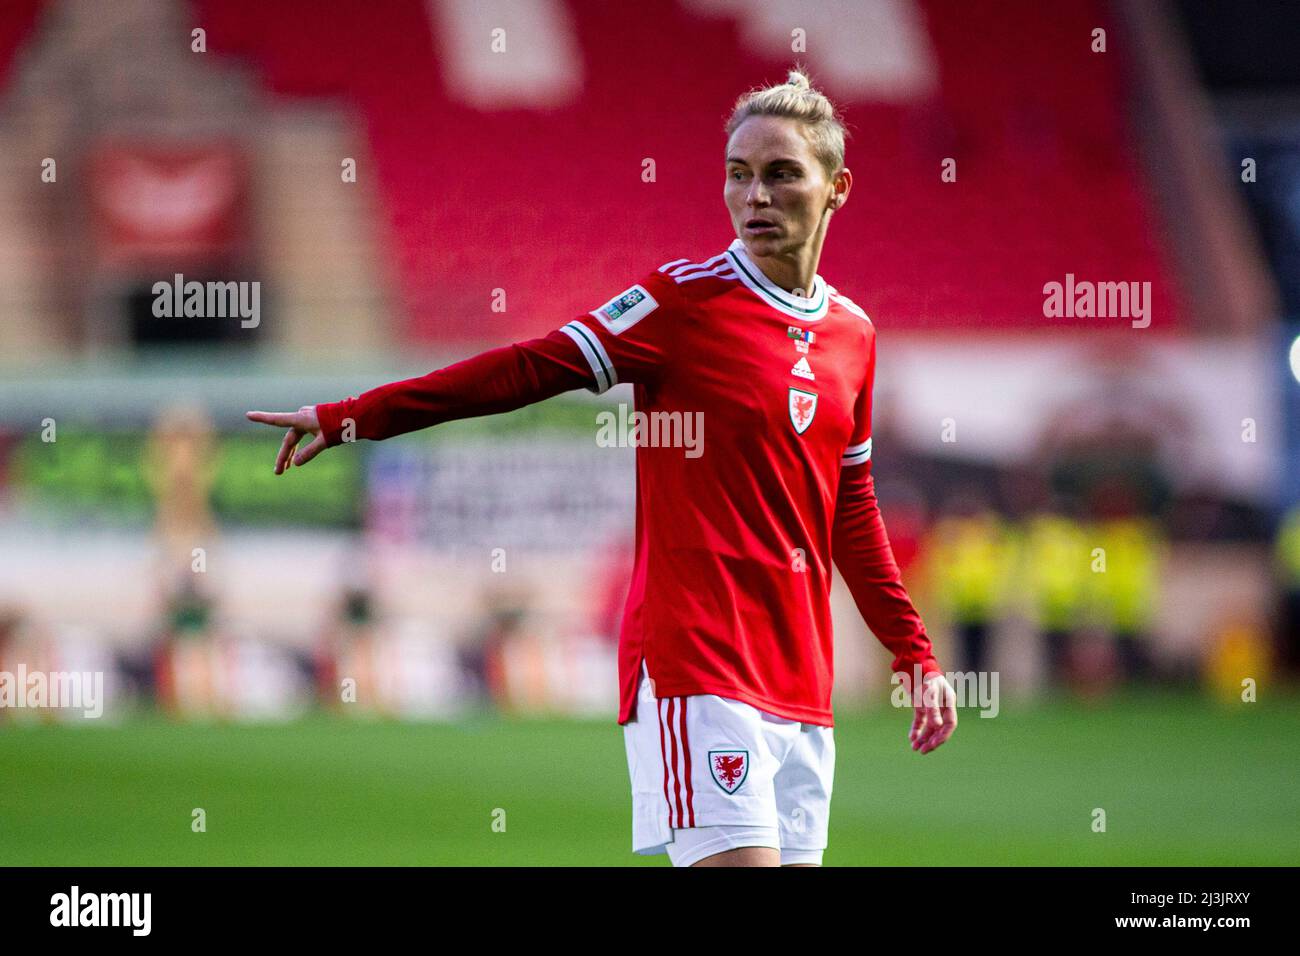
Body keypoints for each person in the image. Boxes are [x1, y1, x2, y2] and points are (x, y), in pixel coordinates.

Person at [247, 67, 956, 867]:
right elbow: (527, 368)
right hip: (700, 662)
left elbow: (848, 507)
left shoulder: (852, 334)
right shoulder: (680, 304)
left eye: (782, 173)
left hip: (800, 681)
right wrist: (357, 416)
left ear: (837, 187)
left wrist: (913, 650)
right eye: (738, 173)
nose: (754, 195)